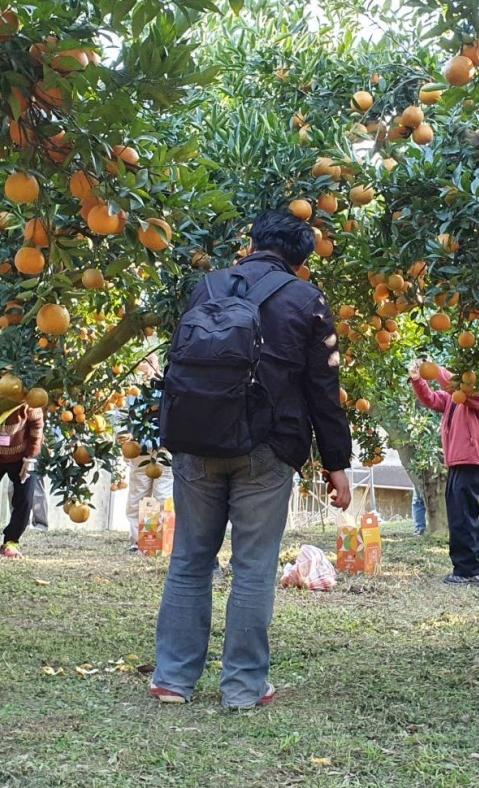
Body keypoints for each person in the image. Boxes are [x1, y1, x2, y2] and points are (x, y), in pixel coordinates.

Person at [151, 209, 353, 709]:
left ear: (254, 242)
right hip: (266, 447)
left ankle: (173, 680)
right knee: (254, 567)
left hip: (197, 441)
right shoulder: (306, 300)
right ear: (302, 259)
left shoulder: (209, 286)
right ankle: (241, 688)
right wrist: (336, 462)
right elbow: (323, 388)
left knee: (190, 561)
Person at [408, 360, 479, 586]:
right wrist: (418, 380)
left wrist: (437, 371)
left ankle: (471, 571)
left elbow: (454, 387)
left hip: (471, 461)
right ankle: (466, 568)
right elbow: (431, 399)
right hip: (456, 462)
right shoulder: (453, 401)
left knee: (465, 517)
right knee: (458, 517)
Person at [0, 400, 44, 559]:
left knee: (25, 499)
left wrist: (31, 458)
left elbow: (37, 426)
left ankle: (11, 541)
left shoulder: (29, 399)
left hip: (22, 459)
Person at [124, 355, 175, 552]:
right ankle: (138, 542)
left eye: (149, 363)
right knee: (138, 494)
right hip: (140, 449)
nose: (145, 368)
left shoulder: (166, 388)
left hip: (164, 449)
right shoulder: (134, 392)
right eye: (142, 364)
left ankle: (157, 541)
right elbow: (127, 418)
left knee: (162, 495)